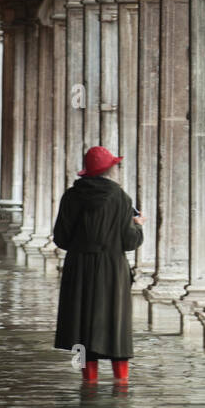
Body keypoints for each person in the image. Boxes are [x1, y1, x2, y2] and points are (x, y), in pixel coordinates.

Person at [53, 146, 144, 384]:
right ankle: (121, 383)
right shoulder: (122, 198)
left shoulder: (71, 197)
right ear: (110, 170)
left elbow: (61, 238)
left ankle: (89, 383)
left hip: (79, 270)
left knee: (81, 324)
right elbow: (130, 241)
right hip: (112, 271)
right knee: (116, 325)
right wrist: (138, 224)